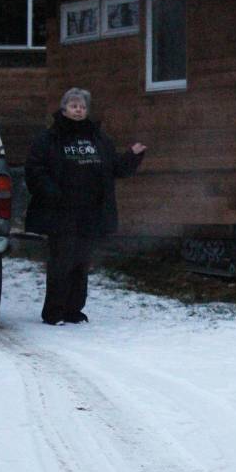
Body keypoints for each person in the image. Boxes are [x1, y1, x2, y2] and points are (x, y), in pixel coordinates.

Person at [25, 87, 147, 325]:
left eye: (82, 107)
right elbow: (34, 171)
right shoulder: (48, 139)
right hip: (60, 213)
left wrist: (132, 156)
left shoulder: (99, 139)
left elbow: (115, 169)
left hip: (91, 213)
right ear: (64, 109)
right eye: (73, 106)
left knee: (81, 263)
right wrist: (53, 193)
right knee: (61, 263)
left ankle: (73, 310)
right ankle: (54, 312)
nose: (78, 110)